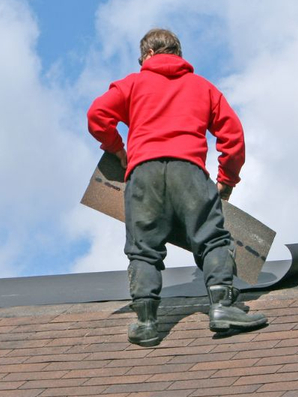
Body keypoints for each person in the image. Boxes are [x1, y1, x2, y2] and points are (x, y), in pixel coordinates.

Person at [87, 28, 267, 347]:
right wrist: (227, 180)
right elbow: (233, 137)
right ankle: (223, 306)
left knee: (144, 248)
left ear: (146, 56)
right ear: (178, 54)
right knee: (212, 239)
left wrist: (118, 150)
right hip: (190, 172)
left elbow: (97, 115)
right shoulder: (203, 88)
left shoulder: (131, 84)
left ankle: (145, 322)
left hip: (143, 172)